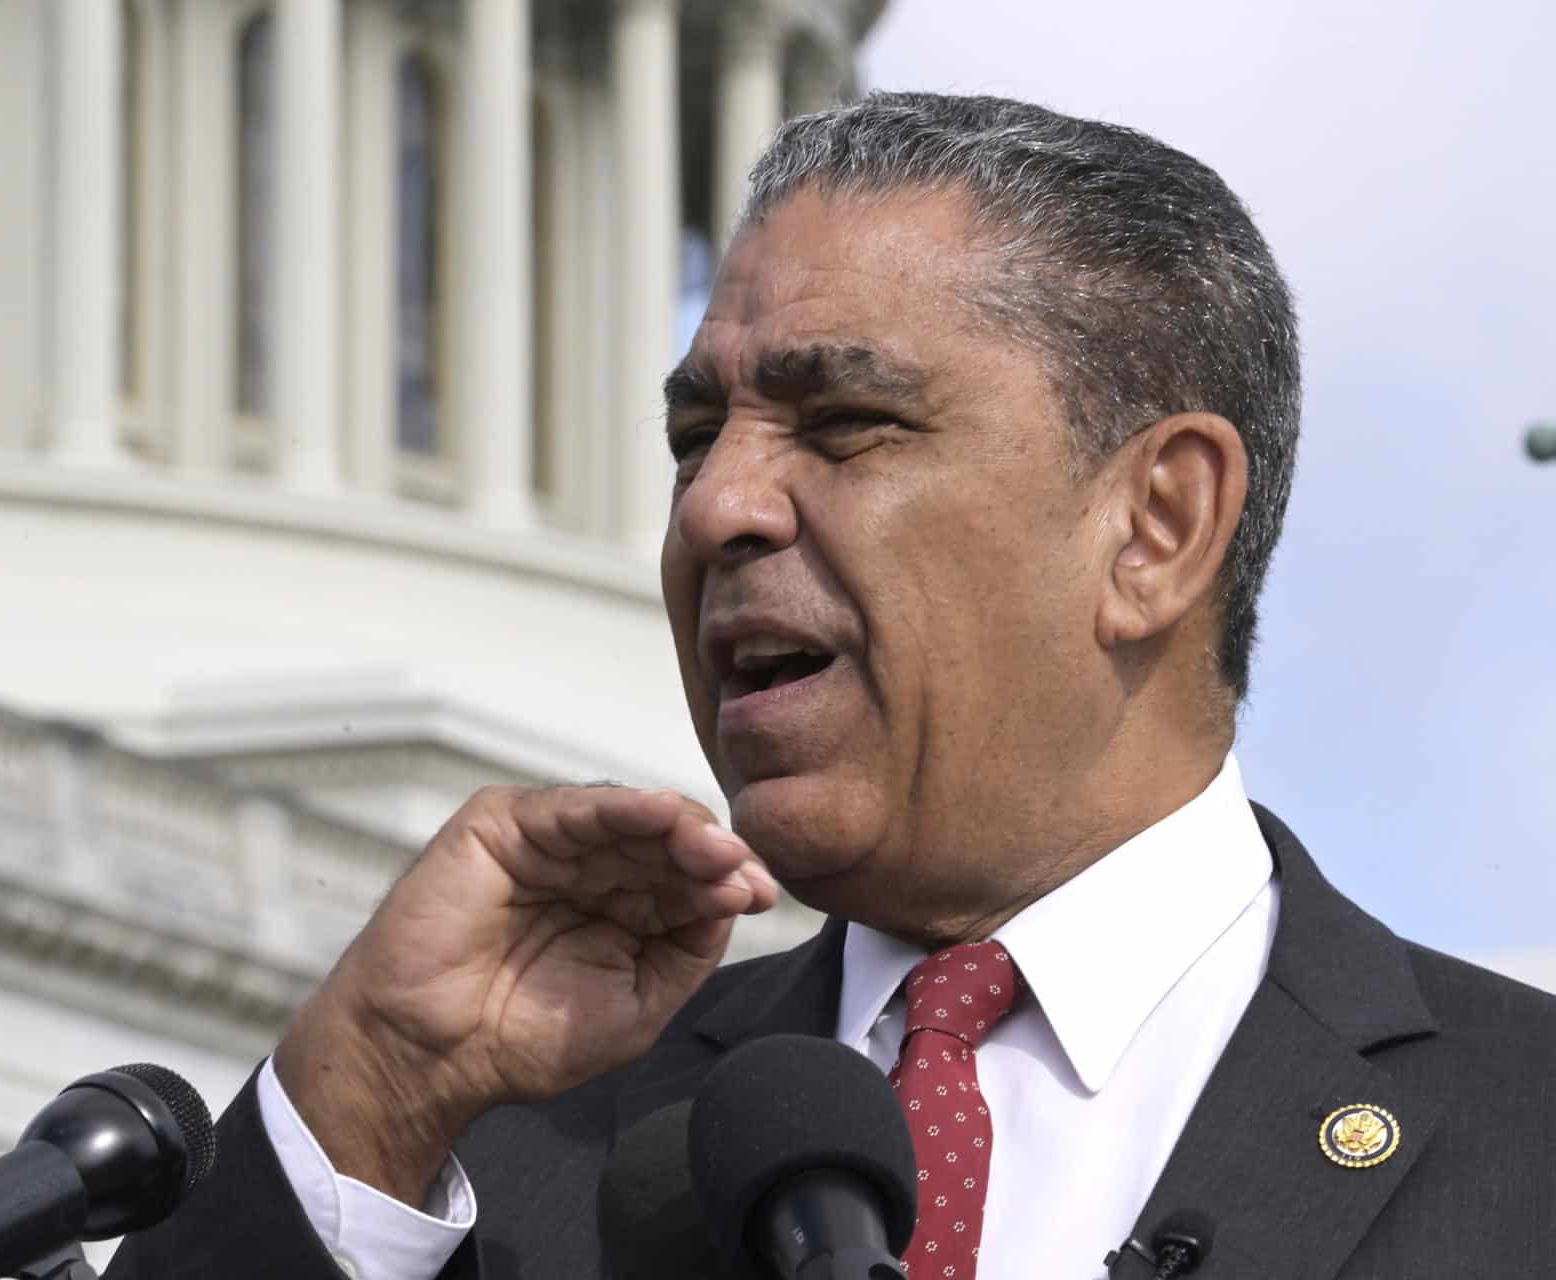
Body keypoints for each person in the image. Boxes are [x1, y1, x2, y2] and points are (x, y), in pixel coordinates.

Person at [107, 93, 1556, 1280]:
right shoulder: (495, 1157)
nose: (716, 506)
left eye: (847, 423)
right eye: (695, 436)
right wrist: (374, 1091)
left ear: (1156, 526)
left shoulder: (1523, 1135)